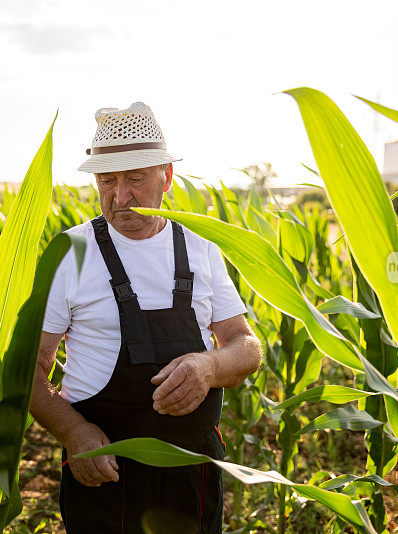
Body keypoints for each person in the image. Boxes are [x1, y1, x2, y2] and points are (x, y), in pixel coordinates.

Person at [30, 102, 262, 533]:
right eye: (106, 181)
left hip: (190, 471)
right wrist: (73, 432)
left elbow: (246, 346)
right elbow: (29, 370)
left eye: (134, 179)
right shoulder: (70, 254)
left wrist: (208, 366)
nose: (119, 198)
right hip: (103, 471)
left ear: (166, 177)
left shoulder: (201, 248)